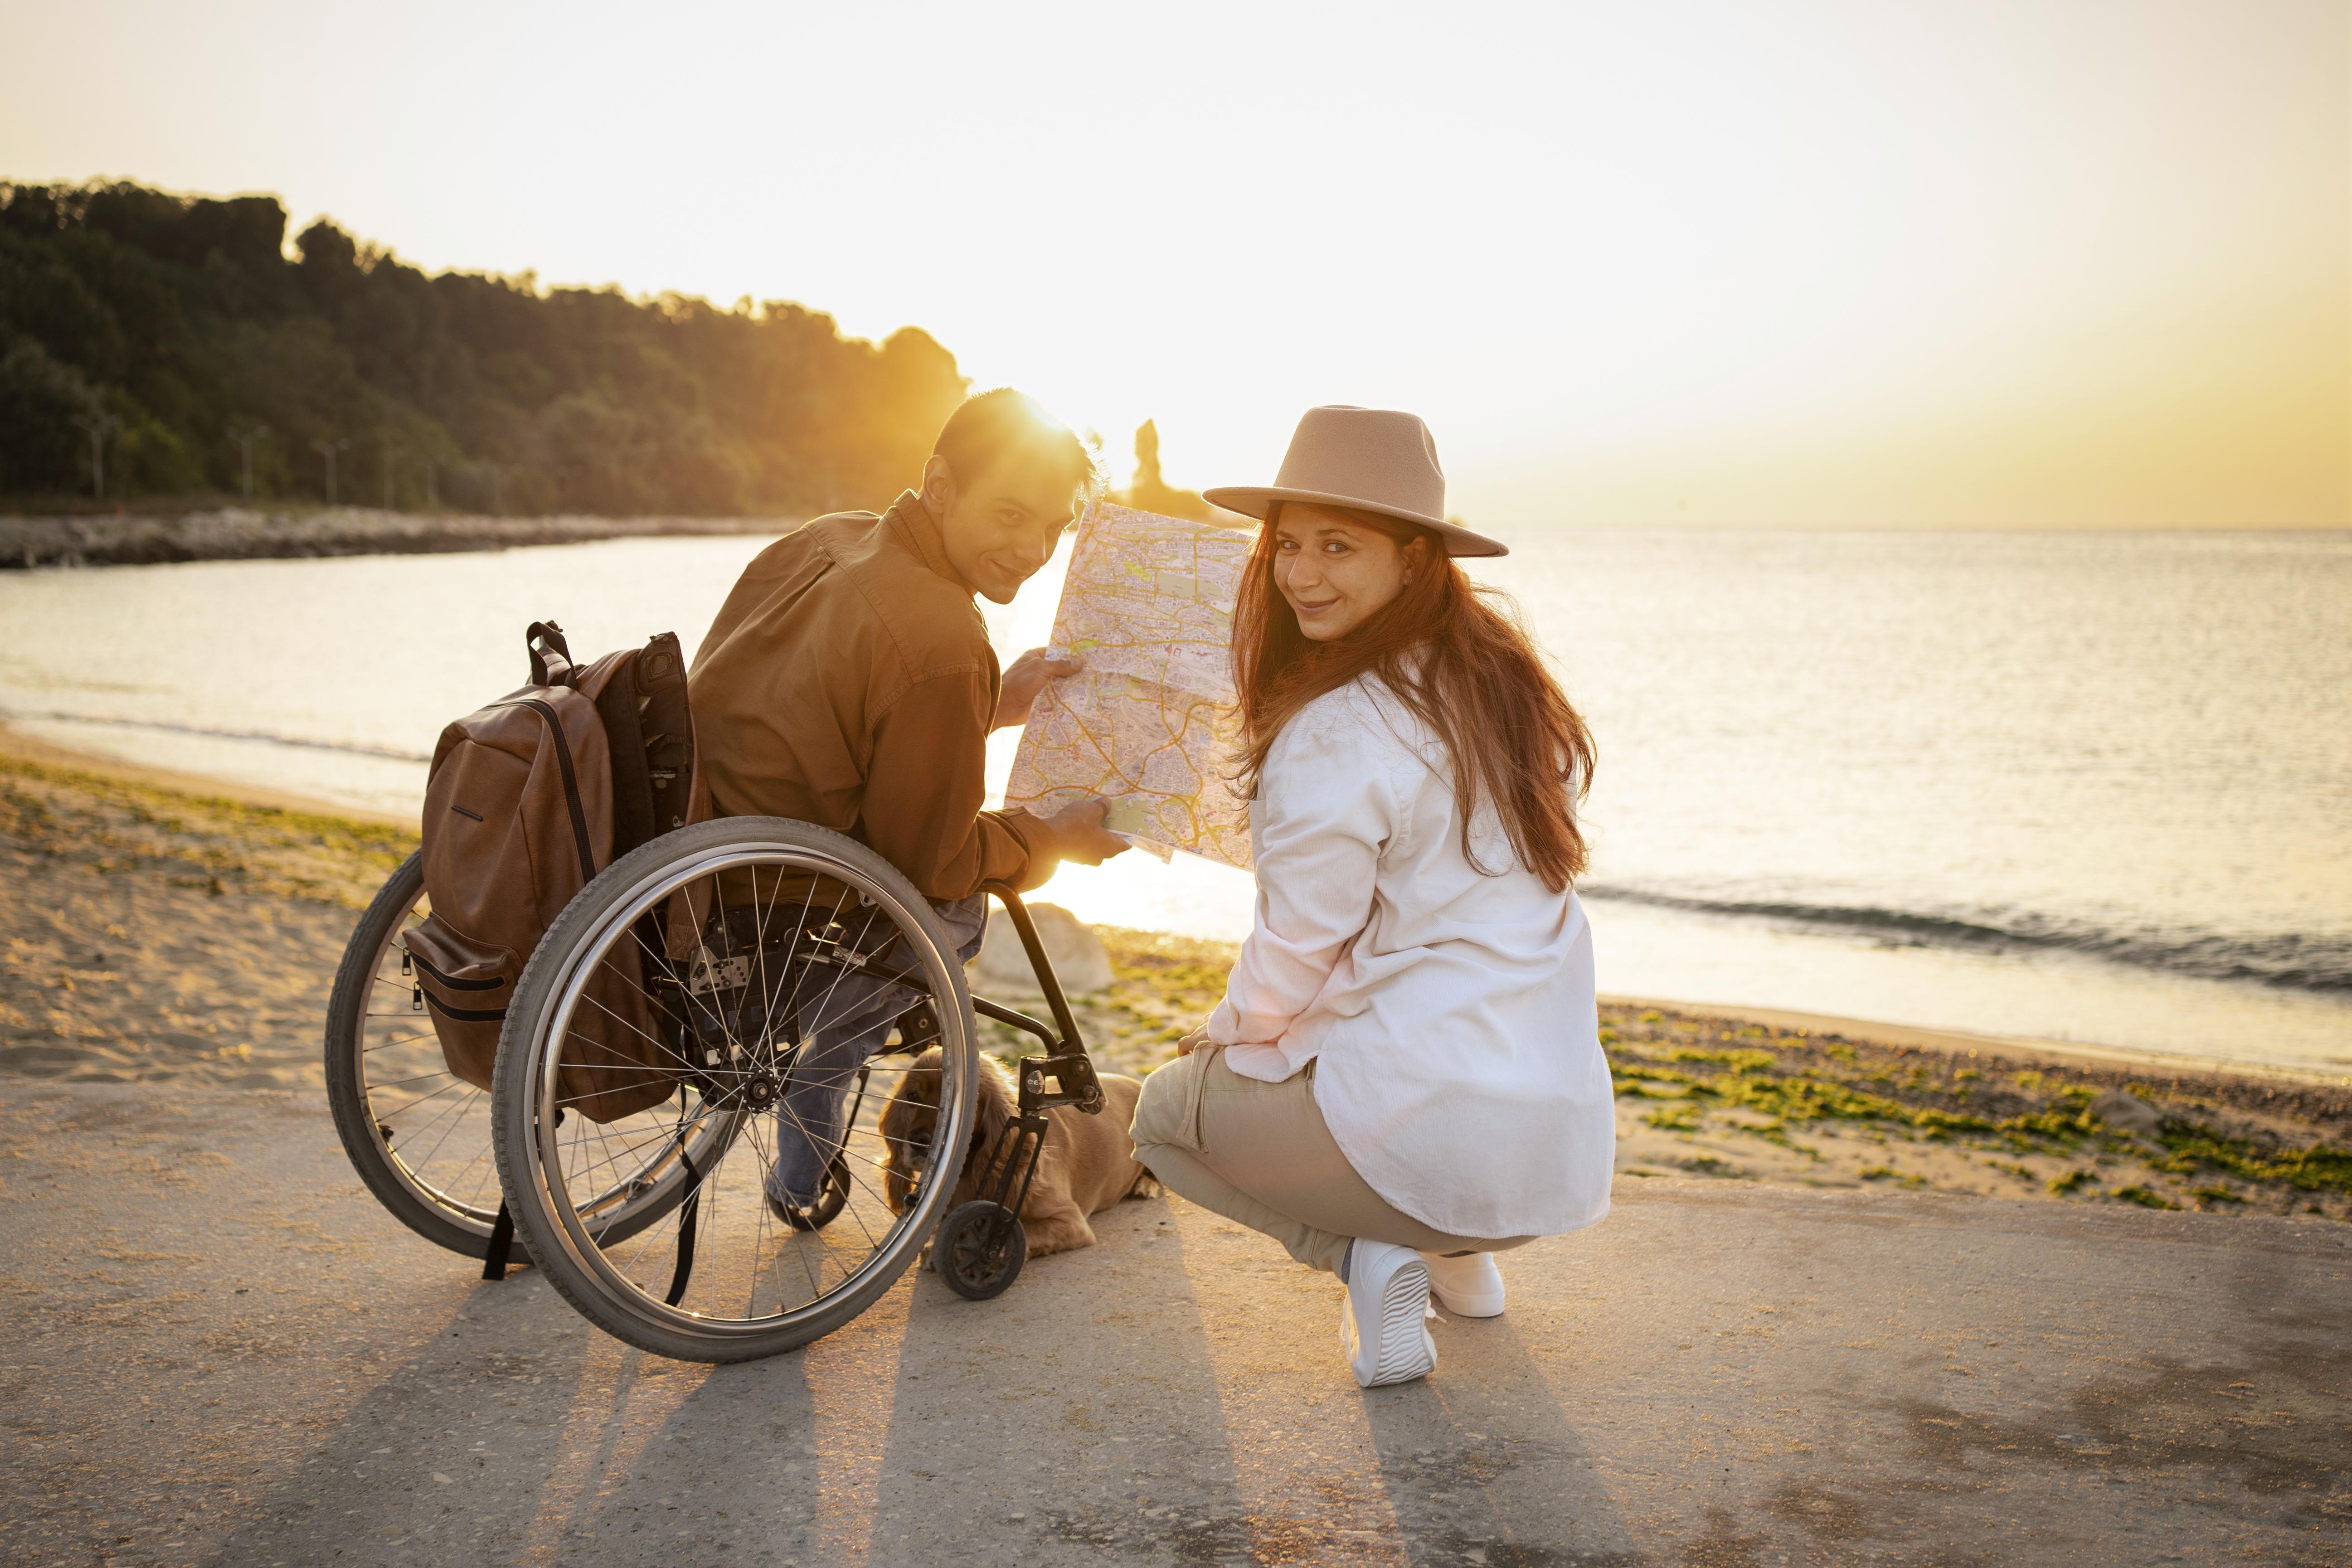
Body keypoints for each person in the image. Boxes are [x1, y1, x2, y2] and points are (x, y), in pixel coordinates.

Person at [1131, 405, 1615, 1388]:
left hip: (1432, 1131)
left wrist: (1224, 1035)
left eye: (1337, 546)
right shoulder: (1512, 693)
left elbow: (1297, 944)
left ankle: (1364, 1256)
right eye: (1289, 545)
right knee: (1382, 1030)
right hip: (1551, 1149)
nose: (1300, 575)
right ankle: (1460, 1267)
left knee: (1160, 1115)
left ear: (1413, 560)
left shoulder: (1342, 723)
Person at [687, 388, 1129, 1222]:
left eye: (1053, 527)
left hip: (708, 856)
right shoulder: (946, 640)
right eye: (1009, 514)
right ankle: (827, 1067)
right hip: (786, 903)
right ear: (940, 484)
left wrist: (995, 699)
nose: (1031, 549)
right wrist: (1051, 838)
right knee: (960, 912)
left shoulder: (828, 540)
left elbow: (832, 718)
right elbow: (937, 862)